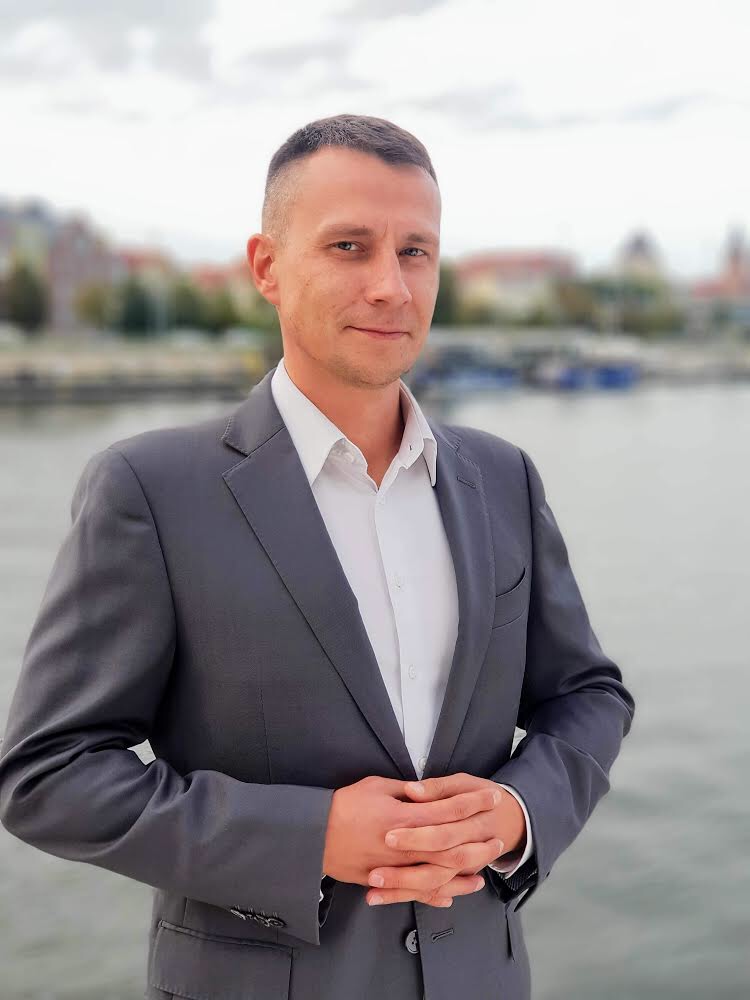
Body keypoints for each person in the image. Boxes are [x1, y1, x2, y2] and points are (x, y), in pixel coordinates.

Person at [0, 113, 635, 1000]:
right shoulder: (148, 489)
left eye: (415, 252)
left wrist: (518, 812)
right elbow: (49, 775)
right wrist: (312, 837)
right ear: (266, 267)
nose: (391, 287)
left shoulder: (504, 477)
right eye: (349, 247)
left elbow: (587, 694)